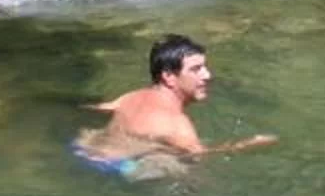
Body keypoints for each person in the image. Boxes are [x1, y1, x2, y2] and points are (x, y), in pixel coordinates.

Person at [75, 35, 275, 174]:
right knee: (175, 166)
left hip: (84, 150)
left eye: (204, 67)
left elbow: (99, 109)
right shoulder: (178, 124)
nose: (207, 75)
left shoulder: (130, 97)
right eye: (196, 69)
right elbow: (201, 157)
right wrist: (245, 145)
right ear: (169, 77)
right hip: (120, 168)